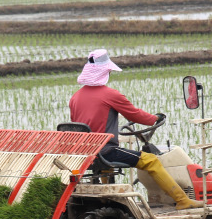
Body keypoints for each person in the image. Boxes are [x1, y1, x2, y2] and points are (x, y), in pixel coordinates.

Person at [69, 49, 204, 210]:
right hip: (105, 151)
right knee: (150, 160)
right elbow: (136, 116)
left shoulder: (75, 97)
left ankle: (106, 200)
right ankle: (182, 200)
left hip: (86, 152)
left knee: (107, 165)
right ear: (106, 72)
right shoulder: (110, 95)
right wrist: (156, 118)